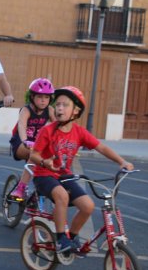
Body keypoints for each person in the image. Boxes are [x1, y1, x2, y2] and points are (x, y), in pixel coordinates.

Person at [29, 85, 134, 254]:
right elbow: (34, 155)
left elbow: (102, 148)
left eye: (65, 105)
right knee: (61, 195)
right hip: (44, 175)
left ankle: (72, 236)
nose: (60, 108)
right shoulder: (47, 131)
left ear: (76, 111)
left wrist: (121, 162)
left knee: (88, 206)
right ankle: (61, 239)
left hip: (64, 176)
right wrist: (44, 162)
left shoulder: (79, 132)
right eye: (58, 105)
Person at [9, 78, 56, 199]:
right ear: (32, 97)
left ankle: (37, 191)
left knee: (49, 160)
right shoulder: (26, 110)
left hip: (36, 144)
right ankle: (20, 188)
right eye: (40, 97)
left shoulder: (50, 110)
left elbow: (57, 127)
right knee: (33, 155)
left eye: (46, 97)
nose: (43, 101)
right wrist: (25, 141)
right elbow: (21, 126)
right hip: (20, 143)